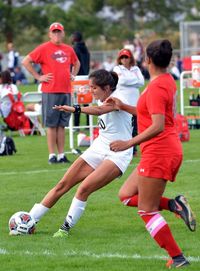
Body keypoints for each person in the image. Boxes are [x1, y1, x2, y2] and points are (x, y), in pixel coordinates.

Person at [107, 39, 196, 268]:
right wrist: (122, 106)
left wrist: (128, 143)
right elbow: (150, 113)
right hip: (161, 150)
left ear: (147, 60)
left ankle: (178, 258)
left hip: (159, 151)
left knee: (146, 210)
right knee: (126, 195)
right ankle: (175, 205)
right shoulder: (165, 80)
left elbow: (157, 125)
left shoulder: (157, 86)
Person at [25, 69, 135, 238]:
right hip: (99, 147)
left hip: (118, 153)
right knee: (62, 184)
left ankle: (65, 229)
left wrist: (74, 109)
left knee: (84, 188)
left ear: (106, 88)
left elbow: (99, 111)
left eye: (94, 88)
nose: (91, 91)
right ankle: (29, 221)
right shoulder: (105, 96)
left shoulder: (116, 98)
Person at [22, 22, 80, 164]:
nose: (56, 34)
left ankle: (61, 155)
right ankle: (52, 155)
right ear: (49, 34)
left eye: (59, 31)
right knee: (51, 125)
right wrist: (38, 77)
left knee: (62, 125)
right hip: (50, 91)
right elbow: (26, 61)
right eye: (54, 32)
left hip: (65, 90)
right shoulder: (43, 48)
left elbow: (77, 63)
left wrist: (73, 74)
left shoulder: (68, 49)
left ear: (63, 33)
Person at [113, 48, 144, 156]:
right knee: (125, 126)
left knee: (135, 127)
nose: (124, 59)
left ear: (130, 58)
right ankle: (124, 148)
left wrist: (128, 80)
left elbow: (142, 82)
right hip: (123, 103)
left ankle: (133, 149)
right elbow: (120, 81)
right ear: (119, 59)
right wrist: (134, 80)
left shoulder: (135, 68)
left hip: (135, 103)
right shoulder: (117, 68)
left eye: (126, 57)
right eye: (122, 57)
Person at [71, 31, 90, 129]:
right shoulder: (86, 49)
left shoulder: (74, 49)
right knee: (86, 102)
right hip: (86, 77)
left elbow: (73, 63)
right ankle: (88, 124)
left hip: (77, 78)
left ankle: (76, 125)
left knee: (76, 102)